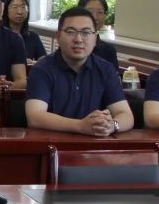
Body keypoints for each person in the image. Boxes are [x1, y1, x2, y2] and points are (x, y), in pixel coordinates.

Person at [25, 7, 134, 136]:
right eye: (71, 32)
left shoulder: (105, 69)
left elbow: (126, 115)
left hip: (94, 144)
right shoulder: (42, 69)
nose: (78, 39)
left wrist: (112, 125)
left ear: (95, 39)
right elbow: (35, 117)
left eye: (86, 33)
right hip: (52, 143)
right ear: (58, 36)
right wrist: (80, 126)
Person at [78, 0, 119, 71]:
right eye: (90, 11)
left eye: (100, 12)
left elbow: (113, 77)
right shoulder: (71, 44)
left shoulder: (108, 50)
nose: (95, 17)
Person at [5, 0, 46, 64]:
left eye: (23, 7)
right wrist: (22, 61)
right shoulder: (0, 35)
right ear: (6, 11)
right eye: (15, 7)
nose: (20, 12)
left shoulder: (33, 36)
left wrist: (33, 62)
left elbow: (45, 61)